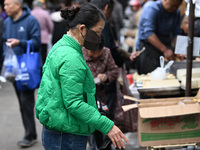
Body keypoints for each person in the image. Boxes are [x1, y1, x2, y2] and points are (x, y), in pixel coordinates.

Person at [35, 3, 129, 150]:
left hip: (60, 128)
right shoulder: (71, 57)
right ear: (82, 29)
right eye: (98, 32)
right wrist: (107, 126)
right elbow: (73, 102)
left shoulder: (60, 46)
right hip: (66, 134)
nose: (99, 37)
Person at [3, 0, 41, 147]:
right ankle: (30, 133)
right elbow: (4, 42)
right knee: (21, 102)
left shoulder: (31, 20)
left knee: (26, 102)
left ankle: (30, 135)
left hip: (26, 69)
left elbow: (37, 43)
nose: (5, 7)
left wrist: (20, 42)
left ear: (17, 5)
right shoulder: (6, 22)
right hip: (12, 68)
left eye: (7, 4)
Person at [82, 34, 119, 150]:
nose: (94, 55)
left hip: (100, 97)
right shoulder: (78, 55)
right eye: (91, 53)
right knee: (87, 127)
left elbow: (114, 70)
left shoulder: (106, 53)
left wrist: (105, 77)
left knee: (100, 125)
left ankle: (100, 145)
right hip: (83, 98)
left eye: (97, 52)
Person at [135, 0, 183, 75]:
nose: (174, 8)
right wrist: (165, 50)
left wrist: (179, 49)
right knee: (150, 76)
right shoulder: (152, 9)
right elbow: (149, 33)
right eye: (172, 5)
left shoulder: (176, 12)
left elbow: (176, 32)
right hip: (148, 48)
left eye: (177, 6)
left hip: (163, 46)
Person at [31, 0, 54, 65]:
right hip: (44, 38)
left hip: (33, 38)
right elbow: (50, 26)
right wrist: (49, 33)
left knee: (34, 55)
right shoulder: (45, 13)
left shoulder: (31, 13)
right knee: (43, 57)